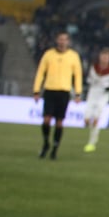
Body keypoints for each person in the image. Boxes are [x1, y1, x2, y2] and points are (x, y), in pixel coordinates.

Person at [32, 30, 83, 160]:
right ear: (57, 40)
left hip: (64, 92)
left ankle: (55, 148)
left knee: (59, 122)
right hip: (50, 90)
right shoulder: (48, 55)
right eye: (60, 39)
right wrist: (36, 90)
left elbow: (77, 76)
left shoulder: (73, 56)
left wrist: (78, 93)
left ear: (68, 41)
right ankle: (45, 143)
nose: (62, 42)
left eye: (65, 39)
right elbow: (40, 73)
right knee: (46, 120)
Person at [82, 48, 109, 153]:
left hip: (103, 95)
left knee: (96, 118)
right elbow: (89, 80)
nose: (104, 58)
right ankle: (90, 131)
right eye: (103, 56)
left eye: (107, 57)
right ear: (100, 56)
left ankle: (92, 142)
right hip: (92, 93)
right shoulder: (94, 68)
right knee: (86, 118)